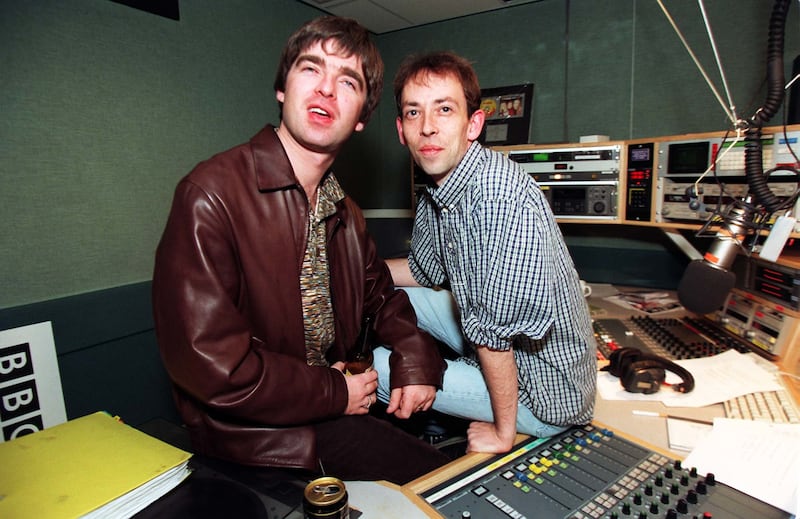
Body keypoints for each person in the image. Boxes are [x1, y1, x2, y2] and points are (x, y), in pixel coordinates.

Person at [151, 17, 449, 485]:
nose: (326, 89)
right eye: (311, 69)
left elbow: (384, 297)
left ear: (361, 118)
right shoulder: (210, 195)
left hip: (332, 415)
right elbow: (215, 368)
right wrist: (335, 391)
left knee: (452, 485)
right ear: (282, 89)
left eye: (346, 81)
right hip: (257, 441)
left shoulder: (345, 212)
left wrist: (415, 359)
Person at [376, 51, 597, 455]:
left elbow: (495, 340)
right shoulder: (438, 191)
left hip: (544, 394)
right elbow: (424, 271)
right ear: (401, 129)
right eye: (413, 113)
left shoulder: (498, 199)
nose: (427, 127)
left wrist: (501, 434)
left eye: (444, 109)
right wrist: (352, 273)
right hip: (496, 347)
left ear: (473, 124)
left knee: (377, 369)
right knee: (387, 294)